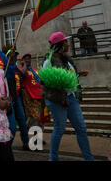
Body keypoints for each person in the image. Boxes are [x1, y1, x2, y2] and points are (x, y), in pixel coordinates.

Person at [42, 31, 94, 161]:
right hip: (57, 100)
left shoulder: (66, 59)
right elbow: (48, 83)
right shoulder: (49, 61)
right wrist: (62, 98)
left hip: (71, 98)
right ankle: (53, 158)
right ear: (60, 44)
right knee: (59, 128)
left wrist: (79, 74)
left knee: (81, 128)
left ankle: (89, 158)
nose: (68, 43)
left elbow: (68, 76)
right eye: (65, 41)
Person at [19, 53, 50, 131]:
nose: (28, 59)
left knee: (40, 117)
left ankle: (38, 137)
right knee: (35, 117)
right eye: (25, 58)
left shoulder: (34, 69)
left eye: (29, 58)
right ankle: (35, 138)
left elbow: (39, 81)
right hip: (30, 97)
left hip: (39, 95)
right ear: (21, 61)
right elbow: (22, 74)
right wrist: (25, 65)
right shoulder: (20, 69)